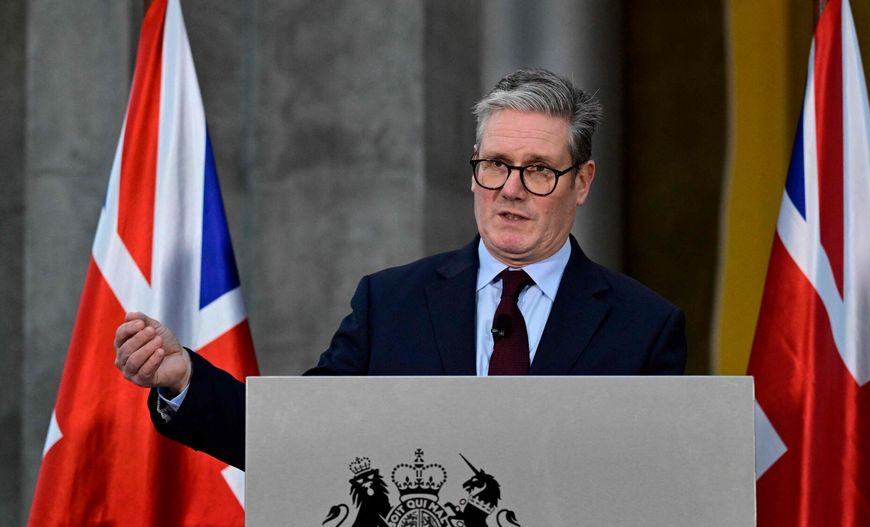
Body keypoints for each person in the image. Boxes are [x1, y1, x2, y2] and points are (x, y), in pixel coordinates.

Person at [114, 68, 687, 470]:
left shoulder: (644, 327)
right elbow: (297, 436)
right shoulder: (390, 303)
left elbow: (663, 486)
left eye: (538, 169)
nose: (510, 190)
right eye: (495, 165)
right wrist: (185, 377)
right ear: (473, 171)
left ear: (581, 182)